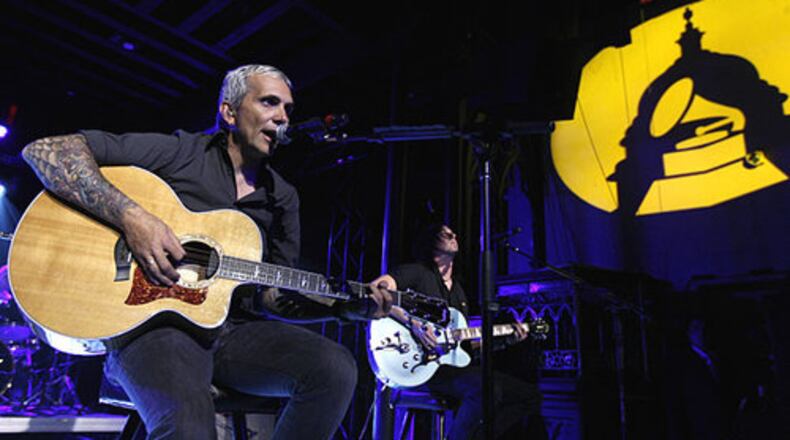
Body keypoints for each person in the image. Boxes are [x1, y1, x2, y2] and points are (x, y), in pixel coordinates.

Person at [21, 64, 392, 439]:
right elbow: (47, 150)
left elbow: (272, 297)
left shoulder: (283, 199)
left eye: (288, 109)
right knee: (189, 428)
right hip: (153, 326)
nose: (282, 117)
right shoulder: (182, 152)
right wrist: (133, 218)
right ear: (229, 113)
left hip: (230, 335)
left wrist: (348, 308)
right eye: (269, 102)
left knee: (334, 368)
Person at [373, 223, 546, 440]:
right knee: (488, 389)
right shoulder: (416, 273)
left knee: (530, 396)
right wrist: (413, 324)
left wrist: (506, 340)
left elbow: (465, 346)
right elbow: (375, 291)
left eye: (454, 232)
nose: (453, 235)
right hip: (419, 367)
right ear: (430, 242)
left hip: (448, 367)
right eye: (445, 233)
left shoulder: (459, 292)